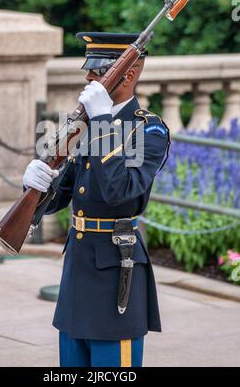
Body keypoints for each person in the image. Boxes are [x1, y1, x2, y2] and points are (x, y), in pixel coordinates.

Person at [23, 32, 170, 367]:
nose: (89, 78)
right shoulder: (86, 125)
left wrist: (103, 120)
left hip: (116, 270)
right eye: (89, 71)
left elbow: (120, 190)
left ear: (128, 76)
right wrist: (37, 184)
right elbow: (63, 195)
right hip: (78, 271)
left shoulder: (148, 131)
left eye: (99, 72)